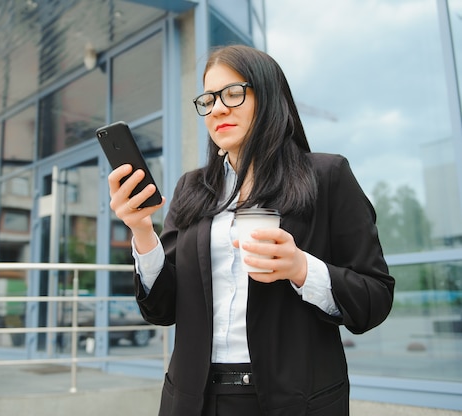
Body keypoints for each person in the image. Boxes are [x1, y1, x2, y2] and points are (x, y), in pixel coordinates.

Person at [107, 45, 395, 416]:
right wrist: (141, 231)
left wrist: (301, 268)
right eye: (208, 99)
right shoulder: (191, 188)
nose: (218, 109)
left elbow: (375, 298)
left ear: (269, 95)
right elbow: (162, 309)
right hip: (194, 400)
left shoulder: (327, 176)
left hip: (294, 401)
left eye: (232, 93)